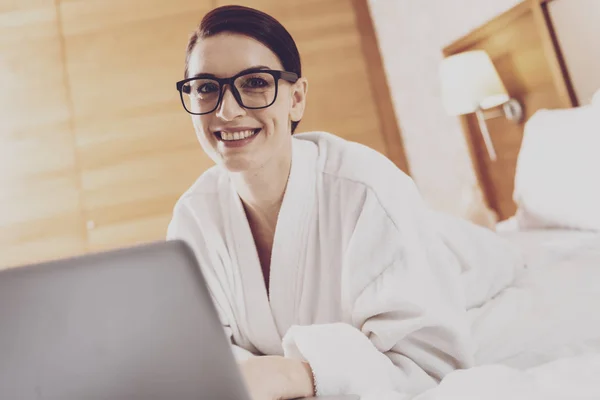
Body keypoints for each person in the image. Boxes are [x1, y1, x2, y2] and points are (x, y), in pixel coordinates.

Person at [167, 5, 474, 400]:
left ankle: (476, 219)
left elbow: (434, 364)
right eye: (206, 87)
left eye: (255, 82)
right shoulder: (193, 218)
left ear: (296, 98)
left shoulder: (367, 191)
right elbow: (199, 356)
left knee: (478, 248)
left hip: (459, 255)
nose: (227, 111)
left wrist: (294, 375)